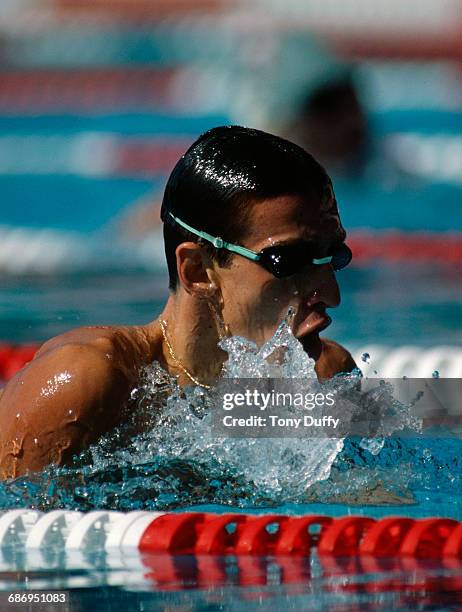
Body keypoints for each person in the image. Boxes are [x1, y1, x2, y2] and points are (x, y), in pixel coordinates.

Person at [0, 126, 356, 480]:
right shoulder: (86, 384)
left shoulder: (327, 377)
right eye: (288, 261)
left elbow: (379, 499)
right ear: (198, 270)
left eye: (333, 255)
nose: (331, 295)